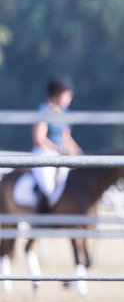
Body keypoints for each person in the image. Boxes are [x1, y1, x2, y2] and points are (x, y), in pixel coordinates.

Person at [31, 74, 83, 212]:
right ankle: (42, 214)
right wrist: (59, 149)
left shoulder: (65, 113)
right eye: (67, 93)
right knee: (48, 187)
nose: (70, 96)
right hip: (45, 154)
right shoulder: (44, 111)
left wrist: (79, 153)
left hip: (61, 154)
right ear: (57, 93)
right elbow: (39, 138)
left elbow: (66, 137)